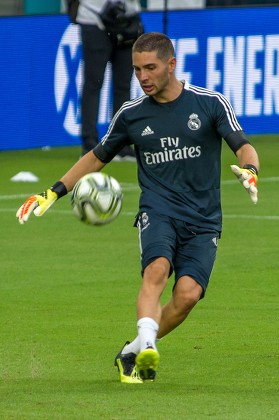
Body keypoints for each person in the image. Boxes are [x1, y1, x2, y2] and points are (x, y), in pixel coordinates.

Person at [16, 32, 259, 384]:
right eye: (136, 69)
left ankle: (134, 350)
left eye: (151, 68)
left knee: (188, 296)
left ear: (171, 65)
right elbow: (97, 157)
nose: (143, 77)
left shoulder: (209, 103)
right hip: (158, 210)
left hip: (205, 219)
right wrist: (52, 193)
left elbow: (243, 145)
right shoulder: (131, 115)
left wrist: (250, 171)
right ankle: (149, 351)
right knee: (156, 270)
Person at [77, 0, 143, 160]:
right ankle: (90, 144)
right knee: (94, 82)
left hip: (128, 17)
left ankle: (120, 144)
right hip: (94, 17)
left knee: (123, 84)